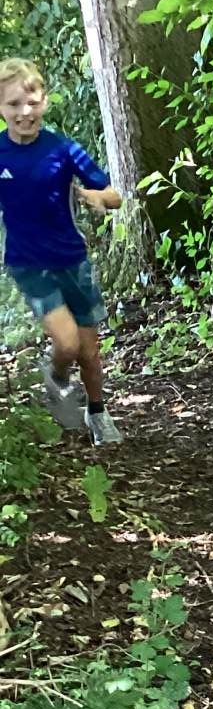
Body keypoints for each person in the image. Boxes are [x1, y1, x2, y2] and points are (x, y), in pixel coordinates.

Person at [0, 58, 123, 446]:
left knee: (88, 352)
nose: (24, 112)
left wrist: (96, 197)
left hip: (72, 261)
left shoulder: (63, 149)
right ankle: (56, 377)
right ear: (0, 108)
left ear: (44, 101)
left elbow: (114, 195)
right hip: (28, 264)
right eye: (13, 104)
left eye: (31, 102)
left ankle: (97, 413)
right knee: (67, 342)